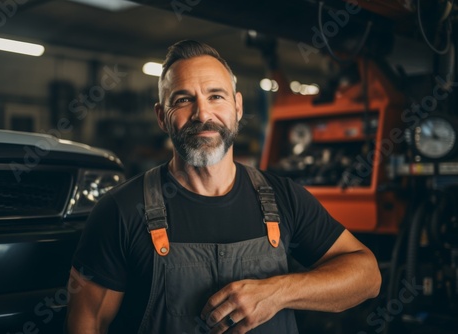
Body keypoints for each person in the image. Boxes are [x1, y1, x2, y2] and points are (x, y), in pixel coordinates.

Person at [65, 40, 381, 334]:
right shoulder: (120, 212)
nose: (203, 114)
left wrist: (278, 292)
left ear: (238, 107)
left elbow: (367, 276)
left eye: (216, 96)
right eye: (184, 100)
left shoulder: (283, 198)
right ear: (162, 117)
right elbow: (86, 324)